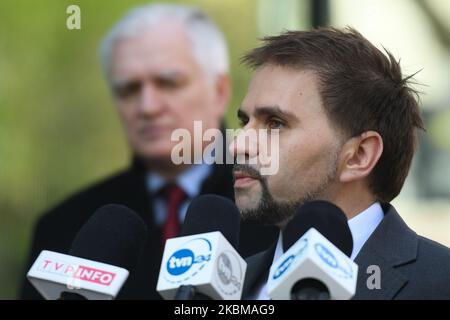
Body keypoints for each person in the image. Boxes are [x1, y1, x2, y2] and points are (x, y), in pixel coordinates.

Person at [19, 3, 277, 300]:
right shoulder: (65, 225)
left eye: (168, 83)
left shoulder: (279, 209)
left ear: (219, 91)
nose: (147, 107)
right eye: (129, 89)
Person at [230, 27, 450, 299]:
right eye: (244, 122)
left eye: (275, 124)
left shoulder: (441, 283)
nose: (237, 145)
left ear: (359, 155)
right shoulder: (223, 288)